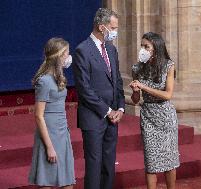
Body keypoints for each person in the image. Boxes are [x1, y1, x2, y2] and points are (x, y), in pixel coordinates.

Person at [72, 8, 125, 189]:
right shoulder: (82, 50)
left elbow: (117, 80)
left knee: (109, 165)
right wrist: (108, 111)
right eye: (113, 27)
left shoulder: (111, 49)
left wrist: (121, 108)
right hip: (94, 118)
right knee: (94, 166)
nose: (116, 32)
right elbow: (84, 89)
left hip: (113, 118)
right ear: (102, 27)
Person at [129, 32, 180, 189]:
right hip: (148, 116)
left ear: (156, 48)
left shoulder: (168, 66)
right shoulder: (137, 68)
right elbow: (135, 100)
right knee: (151, 161)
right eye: (142, 46)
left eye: (146, 46)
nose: (142, 49)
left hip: (165, 116)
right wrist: (136, 91)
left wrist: (144, 86)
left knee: (169, 160)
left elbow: (168, 94)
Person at [28, 37, 75, 188]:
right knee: (47, 180)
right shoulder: (45, 81)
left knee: (67, 181)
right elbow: (39, 115)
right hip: (49, 134)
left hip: (62, 132)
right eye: (67, 53)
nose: (69, 57)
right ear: (59, 56)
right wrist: (49, 147)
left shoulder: (58, 77)